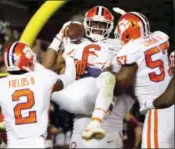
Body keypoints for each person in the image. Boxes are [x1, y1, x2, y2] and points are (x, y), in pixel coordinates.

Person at [44, 6, 134, 148]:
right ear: (87, 24)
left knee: (108, 79)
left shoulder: (119, 44)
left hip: (109, 107)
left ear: (110, 27)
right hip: (82, 103)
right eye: (94, 23)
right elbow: (47, 69)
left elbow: (130, 70)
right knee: (41, 83)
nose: (98, 28)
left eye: (102, 24)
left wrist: (129, 23)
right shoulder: (75, 44)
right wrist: (59, 37)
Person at [0, 41, 76, 148]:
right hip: (38, 143)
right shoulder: (42, 78)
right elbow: (68, 78)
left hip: (14, 144)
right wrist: (69, 57)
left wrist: (2, 146)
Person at [113, 9, 174, 148]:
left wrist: (108, 73)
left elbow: (119, 86)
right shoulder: (160, 37)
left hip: (157, 107)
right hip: (171, 99)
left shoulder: (131, 50)